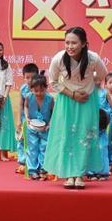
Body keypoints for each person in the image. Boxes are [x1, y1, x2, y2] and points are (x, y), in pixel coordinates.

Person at [44, 26, 108, 190]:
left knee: (83, 135)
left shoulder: (93, 58)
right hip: (66, 101)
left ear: (84, 43)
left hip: (87, 100)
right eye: (67, 43)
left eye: (74, 43)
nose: (70, 46)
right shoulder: (59, 58)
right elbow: (53, 82)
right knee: (66, 135)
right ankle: (68, 175)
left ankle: (79, 174)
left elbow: (102, 75)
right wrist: (72, 94)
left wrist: (90, 83)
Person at [24, 73, 54, 180]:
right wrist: (27, 117)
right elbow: (26, 107)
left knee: (44, 148)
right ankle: (32, 170)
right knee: (32, 148)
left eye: (41, 90)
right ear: (31, 89)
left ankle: (43, 168)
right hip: (32, 128)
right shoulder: (28, 97)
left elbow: (53, 112)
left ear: (46, 88)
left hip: (45, 129)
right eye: (36, 91)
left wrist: (50, 124)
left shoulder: (50, 99)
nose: (39, 93)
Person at [16, 63, 38, 173]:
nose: (30, 80)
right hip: (24, 119)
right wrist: (18, 120)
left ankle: (34, 164)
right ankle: (22, 163)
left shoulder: (39, 88)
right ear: (23, 77)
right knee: (21, 140)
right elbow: (20, 105)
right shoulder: (23, 89)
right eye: (27, 77)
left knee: (33, 142)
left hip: (36, 120)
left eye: (32, 77)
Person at [86, 109, 111, 181]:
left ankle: (103, 173)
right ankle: (91, 173)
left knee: (103, 150)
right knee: (91, 150)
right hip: (91, 130)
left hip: (102, 128)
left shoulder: (105, 113)